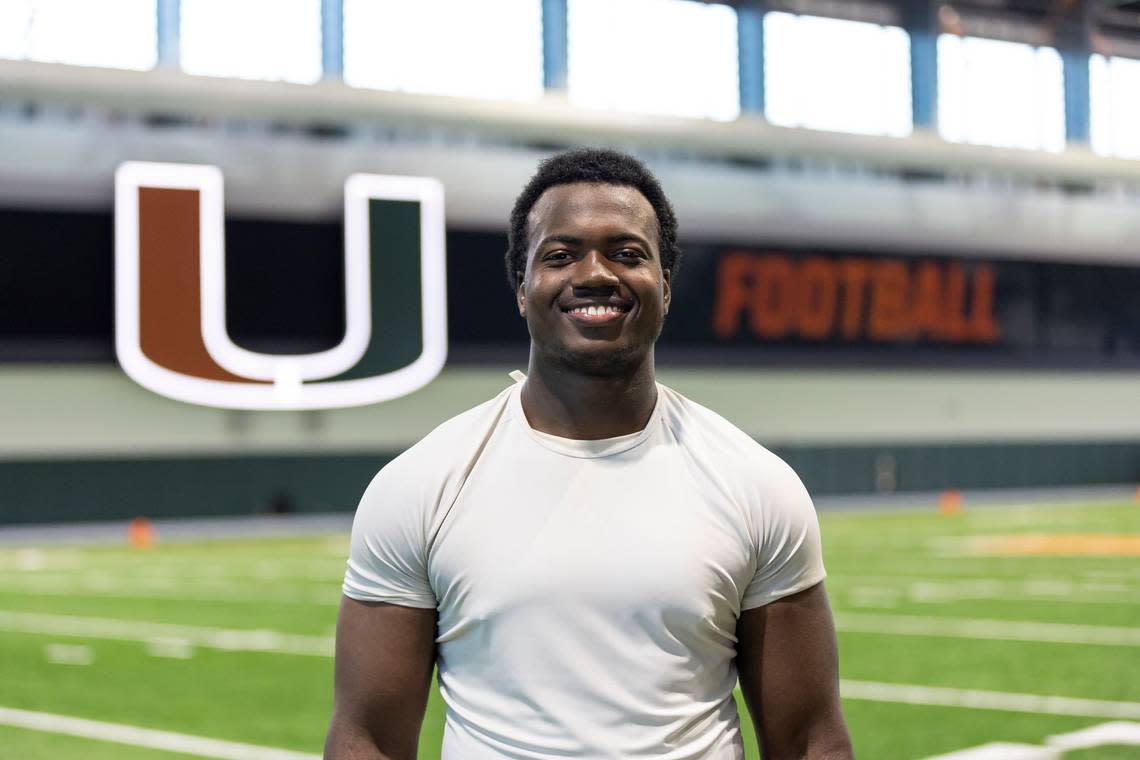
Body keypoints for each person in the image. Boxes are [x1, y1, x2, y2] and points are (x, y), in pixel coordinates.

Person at [324, 148, 853, 760]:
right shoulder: (419, 485)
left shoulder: (757, 484)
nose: (596, 273)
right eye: (560, 255)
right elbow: (368, 739)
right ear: (522, 290)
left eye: (627, 254)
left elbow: (810, 739)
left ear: (666, 286)